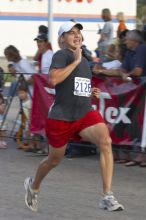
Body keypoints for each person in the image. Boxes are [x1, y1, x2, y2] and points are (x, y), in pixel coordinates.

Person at [24, 21, 124, 212]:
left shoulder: (85, 60)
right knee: (54, 160)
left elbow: (76, 87)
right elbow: (53, 80)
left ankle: (107, 196)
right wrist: (76, 61)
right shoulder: (62, 55)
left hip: (84, 112)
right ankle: (33, 185)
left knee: (105, 142)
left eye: (78, 32)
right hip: (61, 117)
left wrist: (90, 91)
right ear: (62, 39)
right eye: (71, 33)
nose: (76, 35)